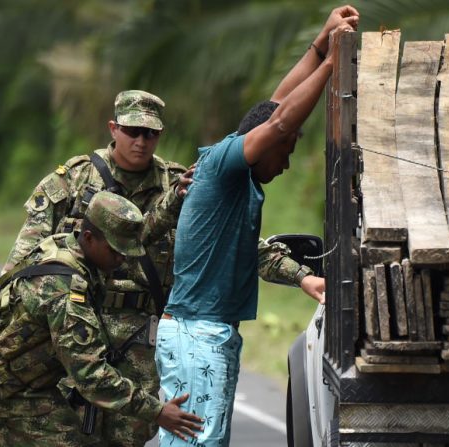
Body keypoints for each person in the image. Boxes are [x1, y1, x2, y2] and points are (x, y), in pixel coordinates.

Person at [2, 90, 325, 444]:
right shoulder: (71, 181)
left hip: (142, 339)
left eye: (150, 133)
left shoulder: (181, 182)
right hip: (78, 330)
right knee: (72, 434)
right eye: (132, 131)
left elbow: (238, 245)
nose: (141, 141)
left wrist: (301, 275)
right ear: (114, 128)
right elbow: (23, 265)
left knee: (133, 434)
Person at [154, 5, 359, 446]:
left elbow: (276, 107)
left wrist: (321, 40)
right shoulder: (226, 165)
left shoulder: (235, 174)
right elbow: (281, 119)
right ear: (267, 143)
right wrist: (331, 62)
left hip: (206, 330)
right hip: (198, 332)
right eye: (284, 153)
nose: (285, 165)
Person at [0, 191, 203, 446]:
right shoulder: (65, 290)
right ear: (90, 238)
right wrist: (158, 412)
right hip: (12, 395)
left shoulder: (66, 244)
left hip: (19, 380)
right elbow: (90, 375)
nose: (122, 259)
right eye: (116, 251)